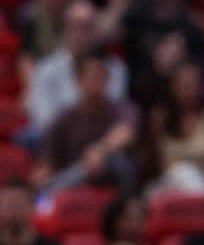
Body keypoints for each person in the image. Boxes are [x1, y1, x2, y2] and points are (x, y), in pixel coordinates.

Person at [34, 49, 139, 195]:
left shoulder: (122, 109)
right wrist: (43, 175)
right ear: (79, 81)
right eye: (94, 77)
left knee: (120, 162)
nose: (99, 83)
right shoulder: (65, 117)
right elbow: (49, 161)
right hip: (75, 178)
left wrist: (101, 150)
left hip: (110, 176)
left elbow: (126, 133)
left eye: (103, 77)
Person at [25, 0, 128, 138]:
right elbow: (44, 119)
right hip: (57, 142)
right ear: (66, 29)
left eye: (89, 27)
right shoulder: (45, 69)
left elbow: (114, 114)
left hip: (100, 144)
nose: (83, 34)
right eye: (78, 27)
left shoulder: (116, 68)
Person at [148, 61, 204, 195]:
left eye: (193, 84)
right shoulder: (160, 119)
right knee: (179, 173)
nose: (189, 89)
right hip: (169, 186)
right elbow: (156, 162)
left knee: (185, 174)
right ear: (173, 86)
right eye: (184, 84)